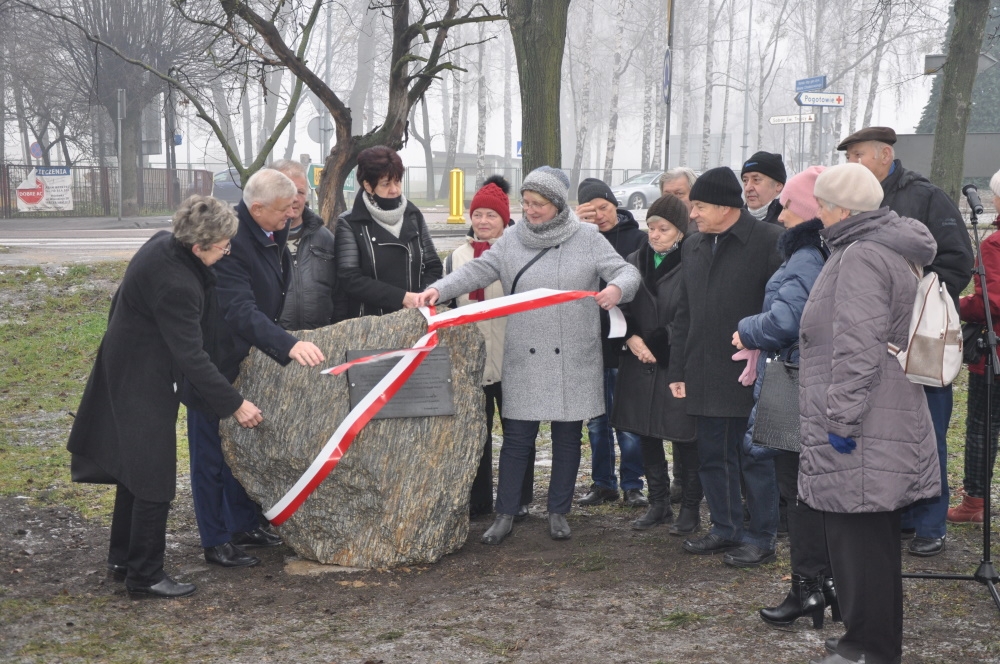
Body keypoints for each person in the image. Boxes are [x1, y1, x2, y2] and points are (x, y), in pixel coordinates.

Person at [415, 166, 640, 545]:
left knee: (567, 436)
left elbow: (625, 271)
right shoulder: (513, 239)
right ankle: (505, 513)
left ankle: (558, 511)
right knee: (518, 437)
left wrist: (617, 289)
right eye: (527, 203)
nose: (530, 210)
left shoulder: (587, 237)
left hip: (572, 352)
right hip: (526, 352)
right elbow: (478, 270)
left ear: (556, 205)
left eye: (538, 204)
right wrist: (437, 289)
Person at [67, 196, 263, 598]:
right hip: (143, 380)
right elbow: (191, 354)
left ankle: (123, 559)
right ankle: (145, 575)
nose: (228, 251)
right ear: (199, 247)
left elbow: (120, 303)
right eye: (223, 245)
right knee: (154, 478)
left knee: (132, 469)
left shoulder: (161, 244)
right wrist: (234, 404)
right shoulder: (177, 283)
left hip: (125, 366)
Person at [799, 162, 940, 664]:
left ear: (840, 208)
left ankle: (870, 648)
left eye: (821, 203)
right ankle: (867, 641)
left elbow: (857, 347)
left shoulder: (860, 255)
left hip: (864, 419)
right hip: (880, 410)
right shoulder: (881, 248)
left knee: (862, 543)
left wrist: (840, 420)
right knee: (868, 540)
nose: (817, 212)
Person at [838, 126, 973, 557]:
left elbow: (957, 262)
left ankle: (931, 523)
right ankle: (901, 513)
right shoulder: (852, 200)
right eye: (847, 158)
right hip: (872, 340)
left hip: (920, 337)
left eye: (857, 155)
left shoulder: (926, 197)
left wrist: (916, 301)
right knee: (888, 432)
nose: (851, 165)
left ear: (883, 155)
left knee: (928, 428)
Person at [187, 169, 326, 570]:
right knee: (210, 454)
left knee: (242, 448)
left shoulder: (270, 230)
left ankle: (244, 522)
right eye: (284, 210)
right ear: (257, 207)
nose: (291, 216)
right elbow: (238, 309)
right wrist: (288, 343)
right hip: (213, 361)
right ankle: (216, 539)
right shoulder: (231, 242)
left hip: (247, 357)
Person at [732, 166, 839, 627]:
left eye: (789, 204)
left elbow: (786, 321)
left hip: (795, 380)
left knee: (798, 490)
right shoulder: (828, 250)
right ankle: (823, 585)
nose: (781, 212)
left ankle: (809, 587)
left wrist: (745, 329)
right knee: (811, 491)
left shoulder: (803, 257)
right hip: (815, 379)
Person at [666, 166, 784, 568]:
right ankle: (724, 527)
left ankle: (761, 536)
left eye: (698, 206)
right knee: (712, 454)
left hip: (751, 372)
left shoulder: (770, 241)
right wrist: (677, 370)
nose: (692, 214)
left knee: (754, 457)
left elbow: (781, 310)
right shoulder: (693, 245)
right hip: (702, 370)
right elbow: (684, 313)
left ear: (724, 206)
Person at [443, 175, 534, 520]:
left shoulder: (519, 252)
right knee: (475, 434)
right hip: (472, 363)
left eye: (490, 216)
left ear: (504, 218)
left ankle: (518, 499)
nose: (482, 221)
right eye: (477, 214)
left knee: (517, 433)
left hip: (513, 359)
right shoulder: (456, 258)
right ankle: (478, 500)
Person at [610, 194, 699, 532]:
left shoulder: (694, 259)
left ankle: (690, 508)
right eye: (651, 227)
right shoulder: (634, 259)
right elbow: (621, 303)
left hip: (675, 362)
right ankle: (658, 503)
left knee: (685, 438)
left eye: (664, 228)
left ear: (680, 231)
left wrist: (658, 345)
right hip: (638, 360)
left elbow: (692, 313)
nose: (656, 234)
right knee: (646, 433)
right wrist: (631, 337)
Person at [574, 177, 649, 508]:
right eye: (591, 212)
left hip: (625, 342)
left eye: (604, 207)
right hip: (588, 346)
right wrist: (577, 230)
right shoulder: (576, 241)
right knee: (596, 422)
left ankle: (633, 483)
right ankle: (603, 482)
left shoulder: (638, 239)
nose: (600, 216)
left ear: (614, 204)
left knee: (628, 419)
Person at [335, 146, 442, 318]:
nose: (394, 190)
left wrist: (422, 297)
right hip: (369, 324)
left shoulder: (414, 216)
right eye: (386, 184)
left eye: (397, 181)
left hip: (415, 317)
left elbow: (433, 266)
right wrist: (401, 298)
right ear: (368, 186)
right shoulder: (350, 223)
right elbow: (350, 279)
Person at [949, 169, 1000, 524]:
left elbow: (991, 303)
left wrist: (955, 304)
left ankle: (975, 502)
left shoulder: (994, 245)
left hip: (995, 356)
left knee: (983, 427)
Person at [271, 159, 348, 330]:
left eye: (300, 192)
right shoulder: (259, 240)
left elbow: (341, 295)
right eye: (287, 190)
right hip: (271, 345)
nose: (295, 199)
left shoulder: (326, 239)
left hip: (320, 343)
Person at [741, 151, 785, 226]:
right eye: (745, 180)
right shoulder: (732, 222)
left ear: (778, 186)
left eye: (756, 180)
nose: (748, 188)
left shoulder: (790, 224)